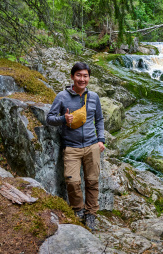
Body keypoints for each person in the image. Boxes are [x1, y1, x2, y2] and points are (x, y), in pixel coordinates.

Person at [46, 62, 105, 230]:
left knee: (92, 182)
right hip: (71, 147)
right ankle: (78, 210)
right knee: (72, 182)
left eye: (85, 76)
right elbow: (50, 118)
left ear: (88, 78)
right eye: (78, 75)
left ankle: (91, 214)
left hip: (92, 146)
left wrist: (101, 140)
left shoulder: (94, 97)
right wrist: (63, 119)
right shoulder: (62, 97)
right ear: (72, 77)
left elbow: (99, 119)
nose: (82, 79)